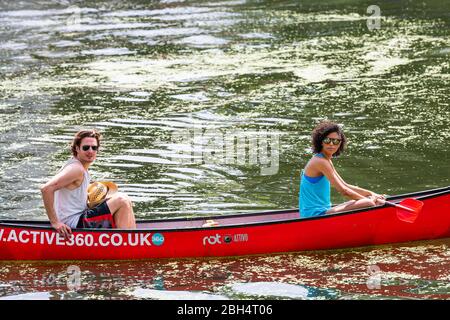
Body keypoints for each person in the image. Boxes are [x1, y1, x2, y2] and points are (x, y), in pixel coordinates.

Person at [41, 129, 136, 239]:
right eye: (86, 147)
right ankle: (130, 243)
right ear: (77, 148)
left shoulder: (79, 167)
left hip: (78, 218)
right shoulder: (76, 169)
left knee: (125, 201)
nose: (90, 151)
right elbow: (46, 189)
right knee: (122, 200)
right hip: (73, 224)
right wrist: (55, 223)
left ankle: (131, 238)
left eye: (94, 148)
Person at [299, 121, 385, 218]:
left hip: (324, 210)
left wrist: (371, 193)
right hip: (315, 215)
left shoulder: (325, 160)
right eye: (328, 140)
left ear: (340, 144)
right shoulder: (320, 161)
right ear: (321, 141)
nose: (332, 144)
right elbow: (344, 191)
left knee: (366, 200)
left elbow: (345, 185)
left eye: (336, 141)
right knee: (368, 203)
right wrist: (368, 201)